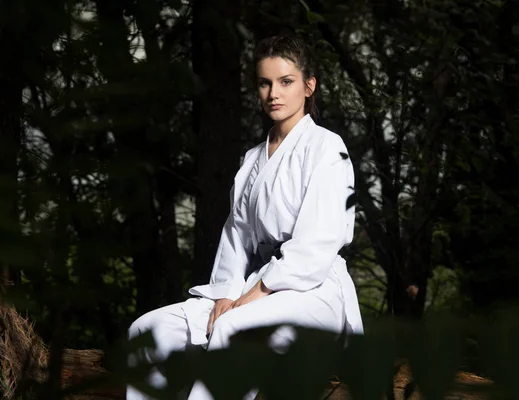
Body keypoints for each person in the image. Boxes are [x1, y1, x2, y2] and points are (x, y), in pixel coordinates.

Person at [126, 35, 363, 400]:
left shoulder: (327, 147)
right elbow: (236, 235)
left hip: (311, 290)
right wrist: (226, 293)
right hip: (255, 283)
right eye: (265, 83)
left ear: (309, 86)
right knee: (149, 329)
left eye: (286, 82)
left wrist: (257, 292)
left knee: (233, 328)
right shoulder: (253, 159)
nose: (274, 93)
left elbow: (317, 242)